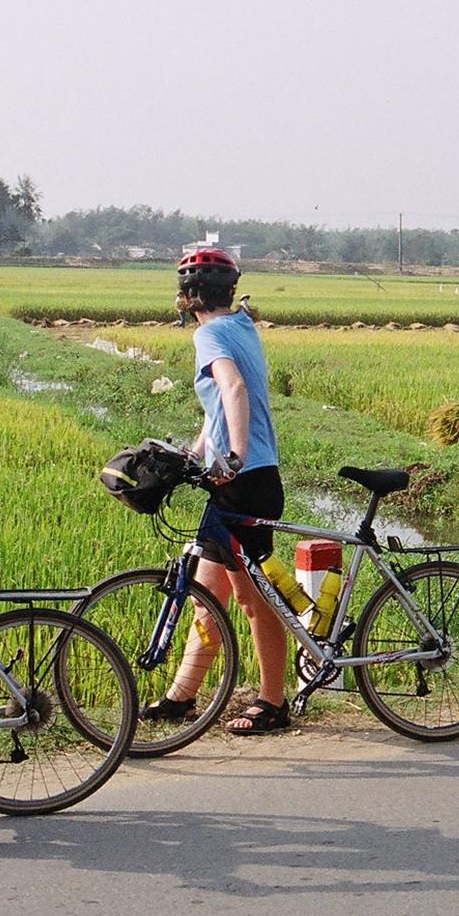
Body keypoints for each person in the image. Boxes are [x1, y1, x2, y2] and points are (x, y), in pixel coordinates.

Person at [146, 247, 292, 735]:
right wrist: (195, 455)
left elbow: (233, 390)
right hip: (238, 481)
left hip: (246, 483)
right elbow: (216, 411)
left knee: (253, 599)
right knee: (206, 595)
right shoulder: (241, 326)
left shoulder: (208, 333)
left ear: (187, 298)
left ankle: (274, 701)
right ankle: (182, 697)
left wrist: (234, 457)